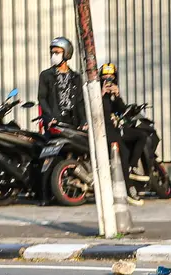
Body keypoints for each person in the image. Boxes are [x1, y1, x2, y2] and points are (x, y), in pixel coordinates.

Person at [99, 63, 144, 205]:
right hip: (104, 130)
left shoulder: (113, 95)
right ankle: (128, 188)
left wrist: (117, 95)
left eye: (110, 78)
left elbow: (122, 110)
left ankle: (131, 167)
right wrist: (100, 94)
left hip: (117, 128)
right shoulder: (97, 93)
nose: (107, 81)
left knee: (141, 135)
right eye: (104, 77)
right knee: (122, 152)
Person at [38, 37, 88, 136]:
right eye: (52, 53)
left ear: (67, 53)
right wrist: (51, 118)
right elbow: (42, 99)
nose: (54, 56)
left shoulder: (76, 77)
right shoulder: (46, 75)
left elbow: (80, 101)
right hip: (54, 124)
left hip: (72, 124)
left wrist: (83, 121)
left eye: (57, 52)